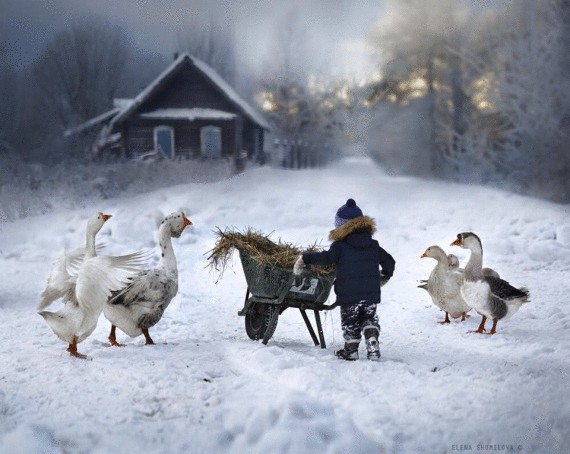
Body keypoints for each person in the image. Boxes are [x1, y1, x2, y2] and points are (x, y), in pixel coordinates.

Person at [293, 198, 395, 361]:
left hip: (349, 295)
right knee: (369, 318)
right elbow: (389, 262)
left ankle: (351, 351)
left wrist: (306, 258)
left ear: (342, 225)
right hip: (370, 293)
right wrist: (385, 275)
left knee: (351, 321)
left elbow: (326, 258)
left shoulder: (340, 246)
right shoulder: (373, 245)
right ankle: (372, 339)